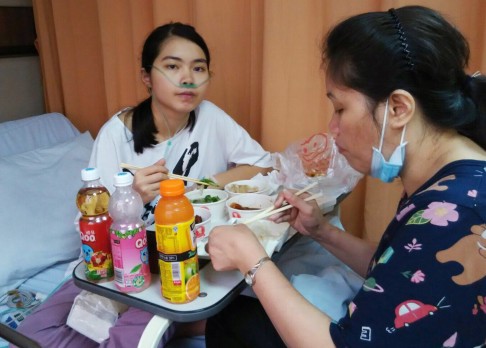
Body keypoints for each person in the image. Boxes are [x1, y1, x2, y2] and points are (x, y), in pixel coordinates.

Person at [205, 6, 486, 347]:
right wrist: (321, 231)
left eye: (340, 109)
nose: (332, 128)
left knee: (233, 321)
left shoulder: (452, 212)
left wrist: (253, 261)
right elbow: (404, 273)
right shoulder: (449, 178)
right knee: (238, 318)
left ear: (398, 108)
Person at [15, 22, 272, 348]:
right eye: (172, 66)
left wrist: (205, 184)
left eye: (198, 68)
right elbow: (93, 231)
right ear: (147, 77)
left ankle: (180, 323)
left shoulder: (211, 118)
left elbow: (264, 164)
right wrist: (132, 197)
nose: (188, 78)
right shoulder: (116, 134)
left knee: (132, 336)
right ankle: (185, 324)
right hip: (122, 259)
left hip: (179, 260)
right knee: (35, 334)